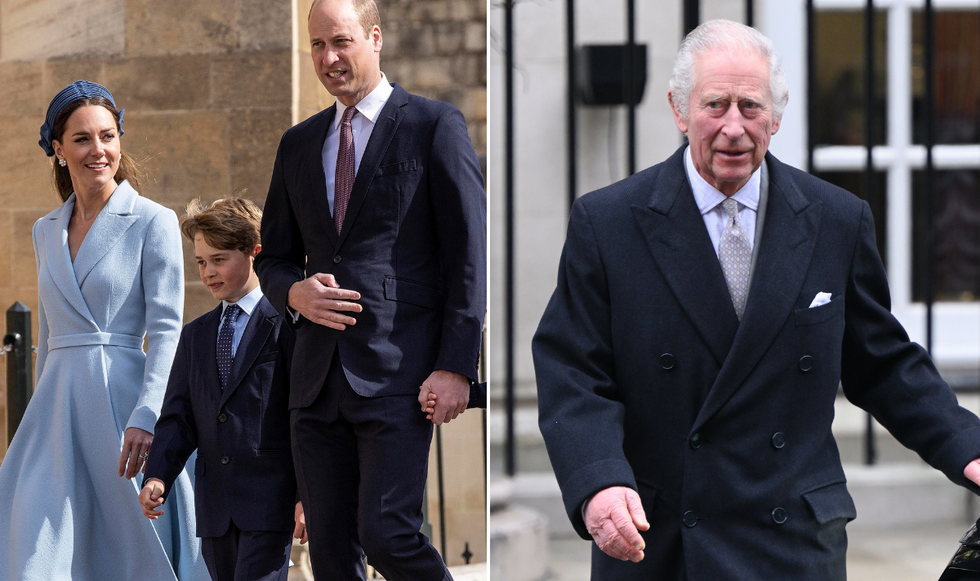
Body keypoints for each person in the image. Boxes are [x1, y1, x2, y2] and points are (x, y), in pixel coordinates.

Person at [532, 20, 980, 580]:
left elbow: (882, 364)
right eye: (715, 104)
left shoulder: (837, 219)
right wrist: (598, 480)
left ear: (777, 115)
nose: (734, 128)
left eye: (750, 106)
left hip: (791, 538)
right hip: (663, 542)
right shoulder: (608, 223)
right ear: (678, 109)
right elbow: (572, 370)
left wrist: (968, 445)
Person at [254, 0, 486, 578]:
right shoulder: (298, 144)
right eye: (317, 46)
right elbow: (275, 257)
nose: (329, 58)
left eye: (342, 41)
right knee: (330, 555)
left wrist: (456, 365)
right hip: (314, 384)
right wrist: (293, 293)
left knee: (387, 535)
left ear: (374, 37)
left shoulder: (435, 125)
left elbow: (468, 254)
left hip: (399, 374)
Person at [0, 81, 208, 580]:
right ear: (58, 149)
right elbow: (48, 335)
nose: (99, 151)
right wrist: (36, 420)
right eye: (82, 139)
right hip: (54, 414)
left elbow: (165, 330)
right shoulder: (44, 229)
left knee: (123, 555)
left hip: (123, 412)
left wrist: (149, 412)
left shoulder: (152, 220)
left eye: (108, 136)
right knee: (34, 556)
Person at [139, 198, 301, 581]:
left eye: (219, 259)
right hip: (214, 512)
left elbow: (303, 417)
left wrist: (305, 497)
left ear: (255, 254)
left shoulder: (288, 326)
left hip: (270, 504)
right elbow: (178, 418)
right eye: (200, 262)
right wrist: (157, 475)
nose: (208, 272)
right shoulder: (194, 336)